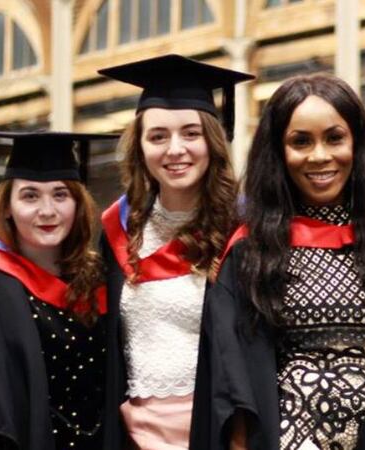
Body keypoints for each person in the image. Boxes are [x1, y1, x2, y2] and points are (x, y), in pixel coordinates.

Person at [190, 73, 365, 450]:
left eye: (334, 138)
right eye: (300, 141)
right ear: (278, 152)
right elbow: (232, 378)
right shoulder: (252, 249)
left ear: (357, 142)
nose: (319, 156)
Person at [97, 55, 253, 449]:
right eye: (158, 136)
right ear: (140, 146)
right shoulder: (118, 229)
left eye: (190, 133)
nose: (175, 149)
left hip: (217, 427)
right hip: (135, 434)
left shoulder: (245, 228)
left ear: (213, 142)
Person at [0, 130, 116, 450]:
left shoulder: (98, 278)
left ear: (78, 205)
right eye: (30, 196)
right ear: (7, 206)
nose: (47, 210)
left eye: (61, 194)